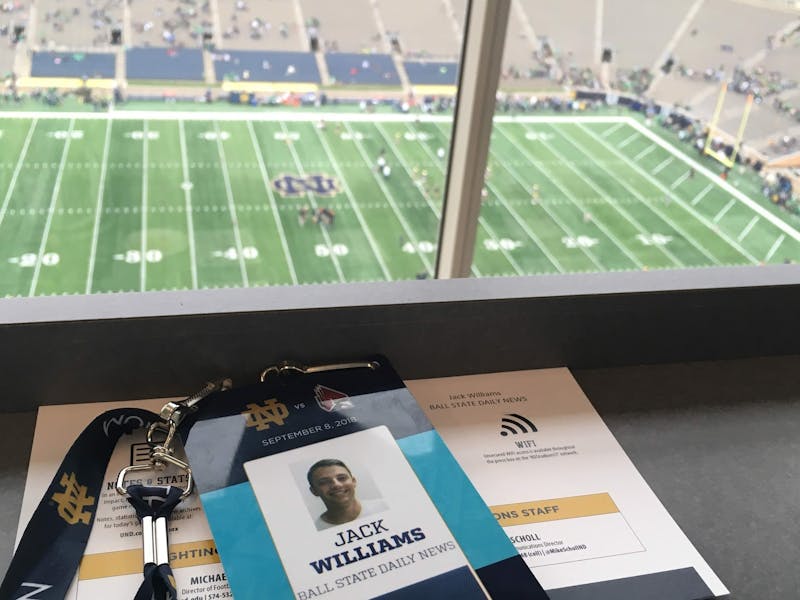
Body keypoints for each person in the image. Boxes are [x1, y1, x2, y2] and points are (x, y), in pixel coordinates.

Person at [307, 459, 386, 530]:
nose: (336, 485)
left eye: (342, 478)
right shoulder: (316, 530)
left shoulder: (384, 506)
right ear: (314, 491)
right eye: (324, 482)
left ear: (354, 481)